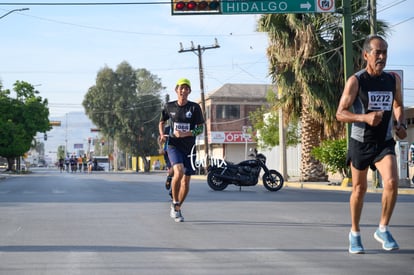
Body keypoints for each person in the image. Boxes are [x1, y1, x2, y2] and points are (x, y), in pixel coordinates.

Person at [336, 35, 406, 254]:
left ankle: (383, 228)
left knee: (392, 182)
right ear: (366, 54)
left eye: (385, 52)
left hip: (383, 141)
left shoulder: (393, 79)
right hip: (360, 141)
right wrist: (364, 118)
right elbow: (340, 113)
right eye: (378, 52)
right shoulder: (356, 81)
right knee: (359, 189)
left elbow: (398, 105)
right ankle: (355, 233)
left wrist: (400, 123)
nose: (382, 57)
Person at [159, 78, 205, 222]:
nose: (183, 91)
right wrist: (162, 135)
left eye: (186, 89)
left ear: (189, 91)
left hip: (189, 147)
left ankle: (177, 207)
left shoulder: (194, 108)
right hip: (174, 145)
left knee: (186, 181)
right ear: (176, 90)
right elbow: (161, 121)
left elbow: (200, 129)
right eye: (181, 88)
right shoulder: (169, 106)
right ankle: (174, 202)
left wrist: (186, 133)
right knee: (178, 171)